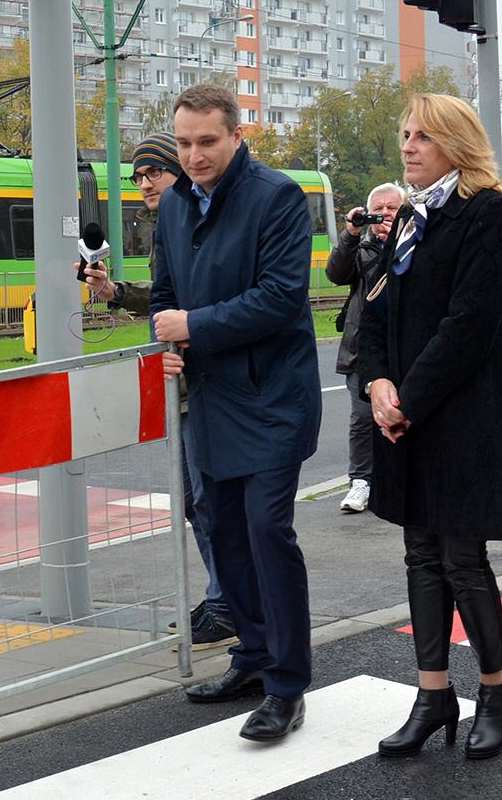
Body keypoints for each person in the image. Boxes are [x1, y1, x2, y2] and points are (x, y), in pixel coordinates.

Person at [149, 84, 321, 743]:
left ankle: (287, 686)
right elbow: (163, 300)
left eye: (206, 143)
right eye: (184, 143)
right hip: (212, 398)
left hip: (273, 398)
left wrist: (192, 324)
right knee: (219, 527)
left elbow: (281, 299)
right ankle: (251, 656)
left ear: (236, 136)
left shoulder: (275, 197)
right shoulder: (171, 208)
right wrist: (163, 342)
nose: (193, 155)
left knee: (265, 530)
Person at [358, 94, 502, 760]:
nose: (408, 145)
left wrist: (407, 400)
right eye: (404, 135)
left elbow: (468, 328)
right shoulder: (410, 219)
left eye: (422, 135)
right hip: (406, 416)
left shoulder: (488, 214)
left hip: (461, 417)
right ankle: (431, 698)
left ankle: (494, 690)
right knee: (420, 556)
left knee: (463, 559)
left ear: (457, 141)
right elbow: (374, 311)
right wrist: (375, 385)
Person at [79, 133, 237, 651]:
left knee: (209, 502)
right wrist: (115, 292)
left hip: (203, 386)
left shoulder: (197, 222)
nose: (144, 183)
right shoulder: (170, 223)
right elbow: (168, 295)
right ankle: (223, 597)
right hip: (179, 384)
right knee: (196, 501)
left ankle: (227, 604)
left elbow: (211, 301)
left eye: (154, 173)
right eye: (138, 176)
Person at [325, 183, 405, 513]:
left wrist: (397, 240)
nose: (384, 214)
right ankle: (360, 481)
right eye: (378, 209)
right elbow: (335, 274)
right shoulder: (361, 245)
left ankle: (396, 482)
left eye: (392, 208)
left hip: (403, 347)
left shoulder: (416, 241)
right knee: (361, 418)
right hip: (361, 348)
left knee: (400, 416)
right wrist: (350, 233)